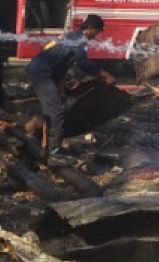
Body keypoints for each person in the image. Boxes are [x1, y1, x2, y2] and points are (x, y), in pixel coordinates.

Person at [25, 14, 114, 161]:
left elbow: (61, 61)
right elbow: (83, 63)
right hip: (42, 73)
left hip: (42, 71)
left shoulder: (73, 36)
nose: (96, 35)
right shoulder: (79, 41)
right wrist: (105, 75)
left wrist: (59, 84)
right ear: (90, 29)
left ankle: (38, 141)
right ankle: (53, 154)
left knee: (51, 107)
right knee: (56, 110)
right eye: (97, 32)